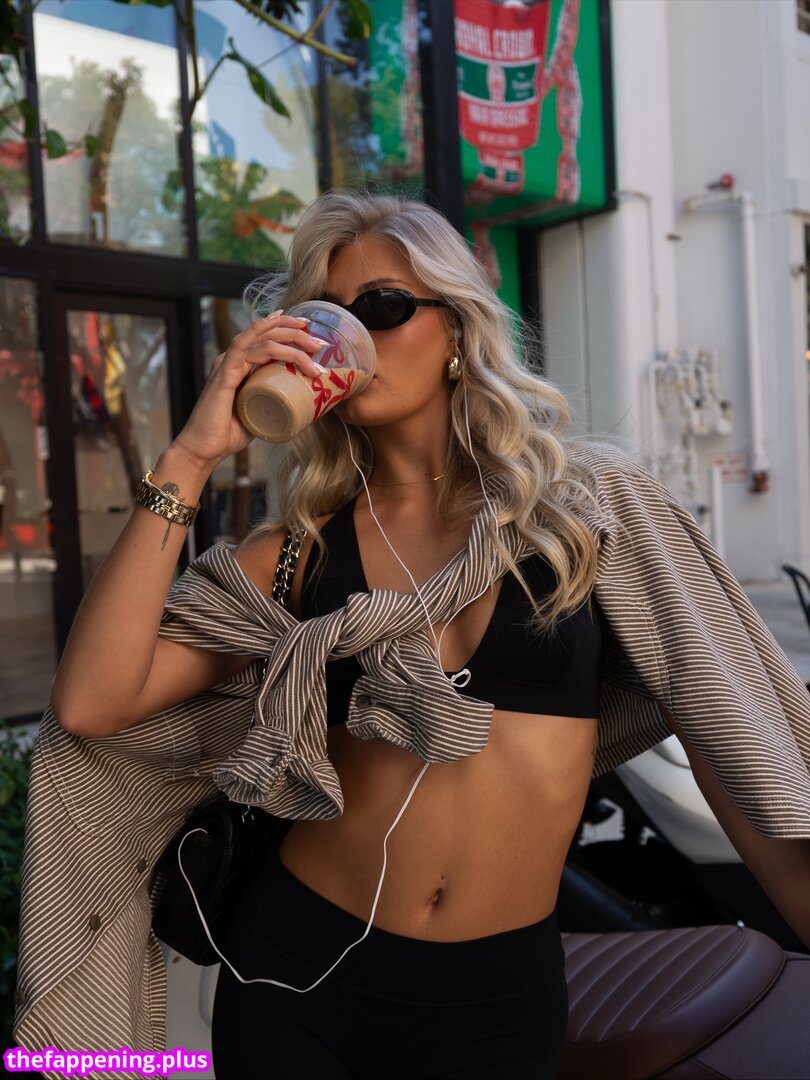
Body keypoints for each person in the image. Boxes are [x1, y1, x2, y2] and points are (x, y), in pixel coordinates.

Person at [15, 192, 810, 1080]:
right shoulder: (300, 553)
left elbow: (736, 743)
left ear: (457, 327)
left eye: (383, 306)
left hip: (496, 1000)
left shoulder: (585, 511)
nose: (348, 337)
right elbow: (93, 704)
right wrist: (192, 457)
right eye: (322, 317)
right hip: (296, 978)